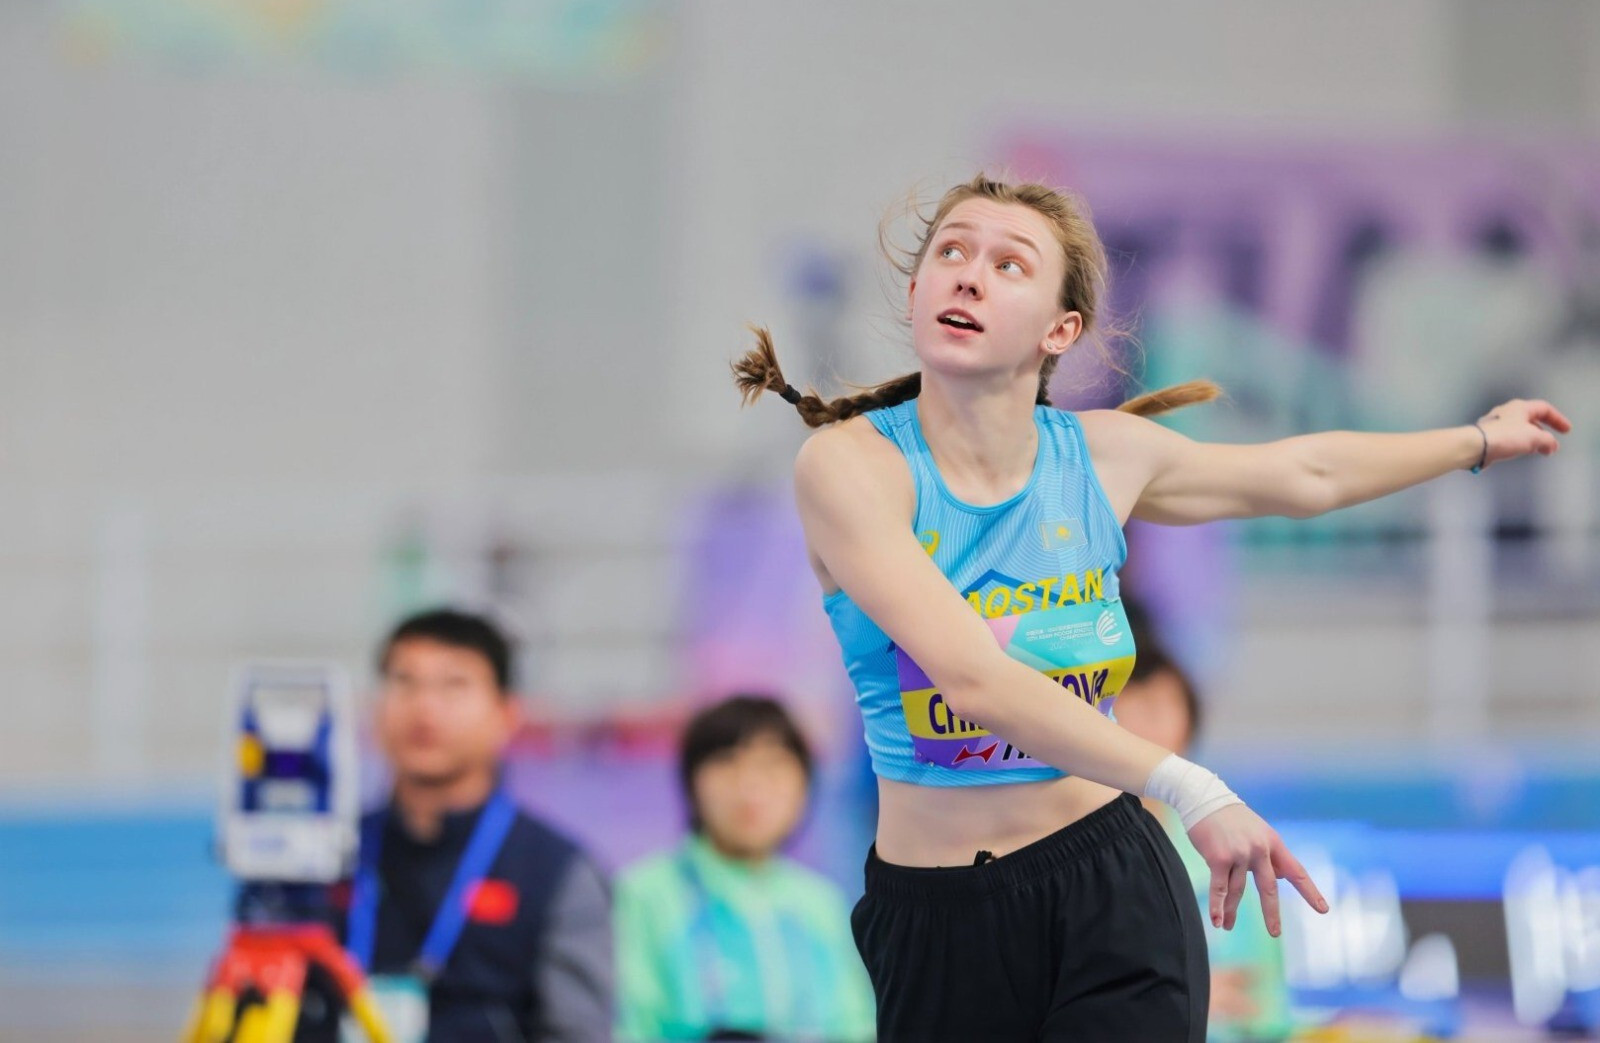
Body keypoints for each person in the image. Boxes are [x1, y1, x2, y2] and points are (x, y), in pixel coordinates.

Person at [731, 172, 1569, 1041]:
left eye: (1009, 264)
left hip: (1111, 889)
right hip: (937, 919)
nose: (970, 275)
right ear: (916, 292)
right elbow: (974, 680)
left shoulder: (1103, 458)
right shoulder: (850, 467)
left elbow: (1305, 474)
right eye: (952, 252)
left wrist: (1476, 440)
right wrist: (1188, 784)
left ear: (1061, 330)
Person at [296, 608, 614, 1043]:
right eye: (404, 682)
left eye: (454, 684)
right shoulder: (321, 856)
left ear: (506, 714)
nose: (424, 706)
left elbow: (579, 1031)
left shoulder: (555, 871)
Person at [615, 695, 877, 1042]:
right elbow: (629, 1027)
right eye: (727, 762)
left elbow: (855, 1027)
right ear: (691, 782)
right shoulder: (646, 895)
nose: (751, 786)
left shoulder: (820, 903)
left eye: (772, 765)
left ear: (805, 784)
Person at [1114, 641, 1292, 1042]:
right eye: (1131, 704)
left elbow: (1264, 1007)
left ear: (1188, 723)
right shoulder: (1078, 849)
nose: (1144, 724)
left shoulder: (1228, 854)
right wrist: (1183, 1000)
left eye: (1159, 707)